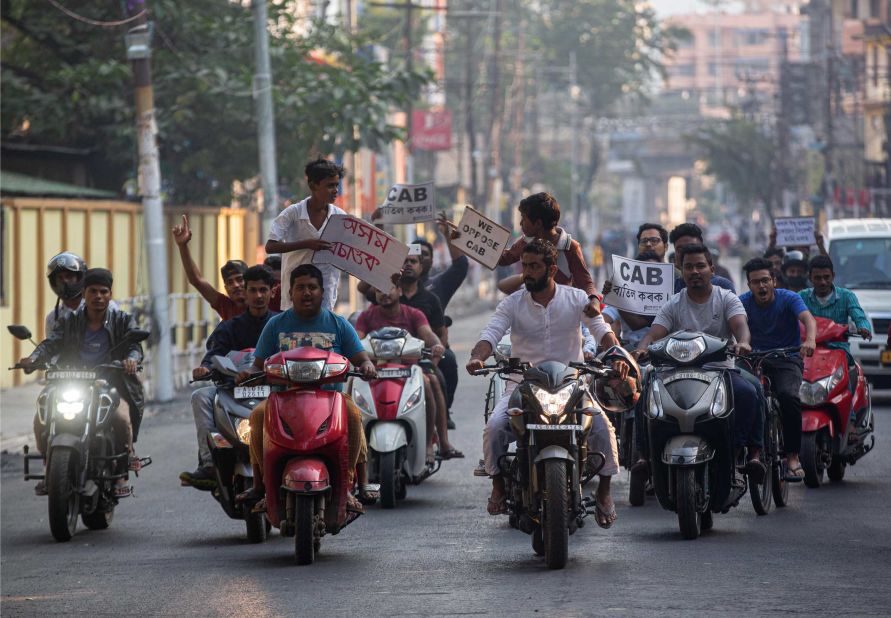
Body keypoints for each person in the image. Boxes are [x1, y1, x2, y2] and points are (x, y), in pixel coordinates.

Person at [466, 240, 625, 528]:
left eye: (534, 266)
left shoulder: (577, 299)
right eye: (524, 266)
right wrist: (477, 358)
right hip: (522, 386)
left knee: (603, 428)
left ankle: (604, 491)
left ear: (551, 269)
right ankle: (498, 485)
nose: (527, 272)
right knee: (494, 428)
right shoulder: (512, 303)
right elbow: (490, 334)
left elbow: (602, 331)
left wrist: (616, 356)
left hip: (572, 386)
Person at [234, 264, 377, 514]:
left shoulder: (339, 324)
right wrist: (249, 374)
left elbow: (362, 358)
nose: (306, 293)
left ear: (322, 292)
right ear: (291, 292)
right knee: (256, 416)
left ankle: (351, 485)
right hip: (282, 400)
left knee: (354, 415)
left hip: (332, 400)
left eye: (312, 287)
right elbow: (258, 366)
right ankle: (261, 486)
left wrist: (367, 366)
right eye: (300, 287)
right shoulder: (275, 325)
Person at [634, 244, 766, 482]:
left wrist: (743, 342)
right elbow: (654, 333)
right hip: (676, 375)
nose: (694, 271)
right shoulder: (673, 303)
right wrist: (643, 347)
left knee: (749, 392)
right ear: (681, 271)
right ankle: (645, 458)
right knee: (644, 398)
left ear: (711, 269)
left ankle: (740, 455)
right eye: (688, 267)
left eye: (700, 266)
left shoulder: (726, 299)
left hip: (721, 373)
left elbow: (740, 327)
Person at [20, 268, 145, 498]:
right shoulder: (69, 322)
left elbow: (134, 345)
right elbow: (51, 344)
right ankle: (49, 466)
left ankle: (121, 472)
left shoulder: (121, 319)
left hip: (109, 383)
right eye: (93, 291)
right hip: (71, 382)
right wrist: (34, 359)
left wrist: (131, 360)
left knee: (122, 418)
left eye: (103, 292)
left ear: (110, 294)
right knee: (41, 416)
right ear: (85, 294)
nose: (98, 296)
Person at [180, 265, 279, 489]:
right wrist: (205, 368)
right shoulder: (229, 326)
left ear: (273, 292)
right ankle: (208, 463)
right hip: (233, 389)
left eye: (263, 290)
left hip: (274, 390)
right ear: (245, 291)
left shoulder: (282, 324)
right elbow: (214, 352)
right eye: (252, 290)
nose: (258, 296)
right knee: (200, 397)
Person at [355, 286, 463, 462]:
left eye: (388, 287)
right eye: (379, 288)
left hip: (409, 372)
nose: (385, 292)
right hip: (374, 372)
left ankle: (435, 443)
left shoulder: (413, 314)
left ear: (399, 290)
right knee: (350, 386)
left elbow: (428, 335)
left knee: (431, 382)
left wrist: (436, 345)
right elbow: (356, 340)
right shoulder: (366, 316)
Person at [739, 257, 817, 480]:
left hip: (787, 358)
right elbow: (731, 323)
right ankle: (741, 451)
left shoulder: (789, 298)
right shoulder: (742, 302)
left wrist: (809, 339)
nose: (761, 286)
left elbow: (808, 319)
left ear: (773, 281)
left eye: (765, 280)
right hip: (754, 360)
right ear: (749, 285)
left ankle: (792, 455)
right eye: (756, 282)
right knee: (740, 395)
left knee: (789, 396)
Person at [497, 192, 601, 316]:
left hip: (564, 312)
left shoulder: (570, 247)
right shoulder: (525, 241)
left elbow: (585, 282)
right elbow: (504, 259)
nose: (520, 223)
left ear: (538, 224)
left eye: (524, 219)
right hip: (533, 311)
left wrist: (594, 302)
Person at [265, 158, 347, 312]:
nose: (335, 190)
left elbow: (357, 253)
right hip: (294, 293)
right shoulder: (292, 213)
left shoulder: (341, 217)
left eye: (336, 185)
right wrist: (307, 244)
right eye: (330, 185)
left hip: (326, 295)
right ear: (313, 186)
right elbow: (270, 246)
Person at [171, 214, 247, 320]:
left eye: (240, 279)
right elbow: (196, 281)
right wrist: (182, 246)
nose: (236, 285)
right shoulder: (225, 306)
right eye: (230, 282)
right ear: (226, 288)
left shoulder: (264, 306)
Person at [800, 255, 873, 356]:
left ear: (833, 276)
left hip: (838, 349)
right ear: (810, 278)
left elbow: (860, 317)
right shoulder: (801, 296)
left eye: (826, 277)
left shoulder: (847, 296)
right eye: (818, 278)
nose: (823, 282)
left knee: (851, 369)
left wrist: (864, 328)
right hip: (808, 350)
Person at [44, 252, 120, 335]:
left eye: (69, 276)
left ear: (79, 278)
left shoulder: (107, 307)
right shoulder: (53, 318)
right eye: (60, 278)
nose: (64, 281)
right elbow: (51, 347)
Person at [601, 250, 661, 350]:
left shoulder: (668, 299)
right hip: (629, 351)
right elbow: (604, 318)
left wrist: (617, 298)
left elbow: (637, 324)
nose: (650, 277)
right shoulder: (625, 295)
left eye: (653, 272)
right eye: (645, 272)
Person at [669, 223, 735, 293]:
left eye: (692, 247)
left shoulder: (723, 286)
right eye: (680, 249)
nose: (686, 254)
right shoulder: (669, 288)